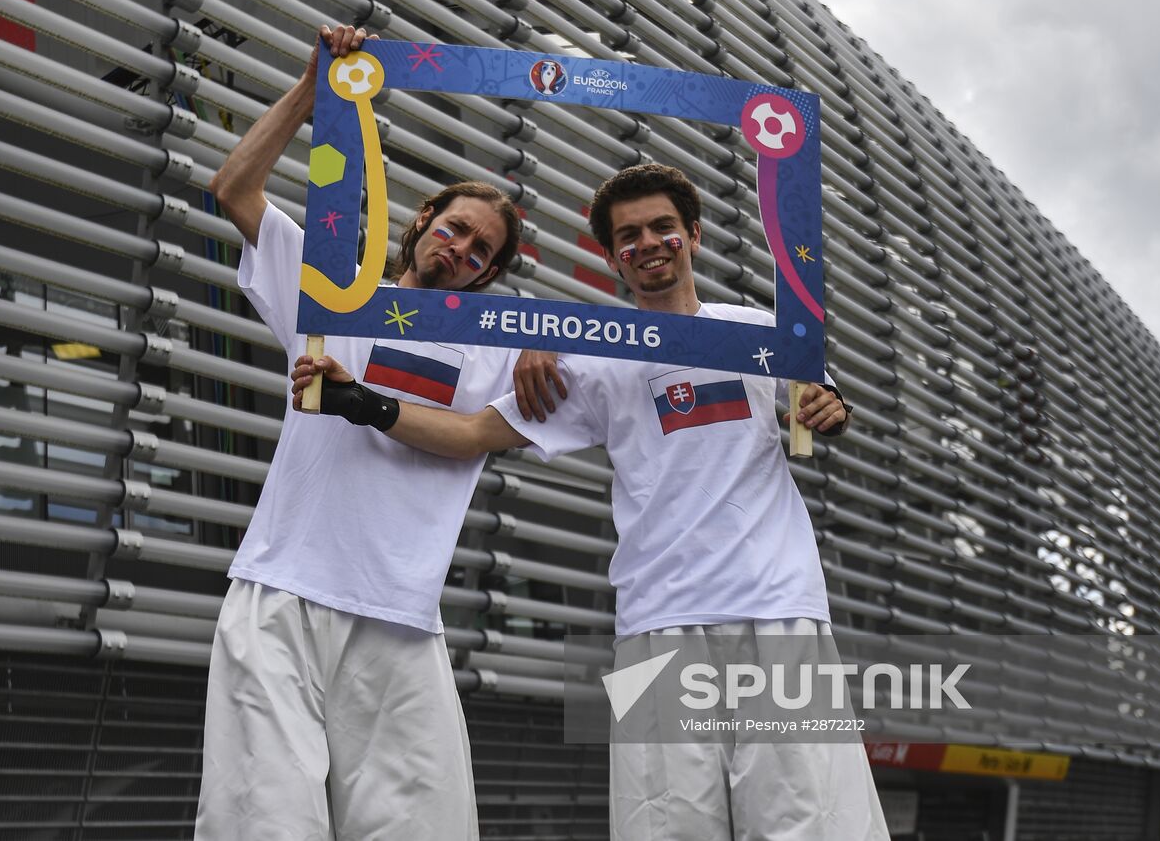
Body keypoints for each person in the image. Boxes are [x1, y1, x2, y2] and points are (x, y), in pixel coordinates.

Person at [292, 163, 889, 840]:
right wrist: (361, 401)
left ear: (692, 235)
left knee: (811, 825)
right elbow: (468, 434)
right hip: (655, 626)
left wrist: (827, 406)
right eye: (628, 235)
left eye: (664, 226)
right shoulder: (596, 359)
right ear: (611, 257)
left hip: (778, 612)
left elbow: (824, 406)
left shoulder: (760, 333)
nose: (649, 243)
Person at [194, 24, 560, 840]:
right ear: (424, 218)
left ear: (491, 275)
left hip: (399, 617)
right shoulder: (330, 287)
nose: (461, 249)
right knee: (259, 825)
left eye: (482, 252)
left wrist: (545, 330)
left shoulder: (492, 342)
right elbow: (235, 188)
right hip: (279, 594)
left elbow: (471, 436)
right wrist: (313, 84)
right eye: (456, 228)